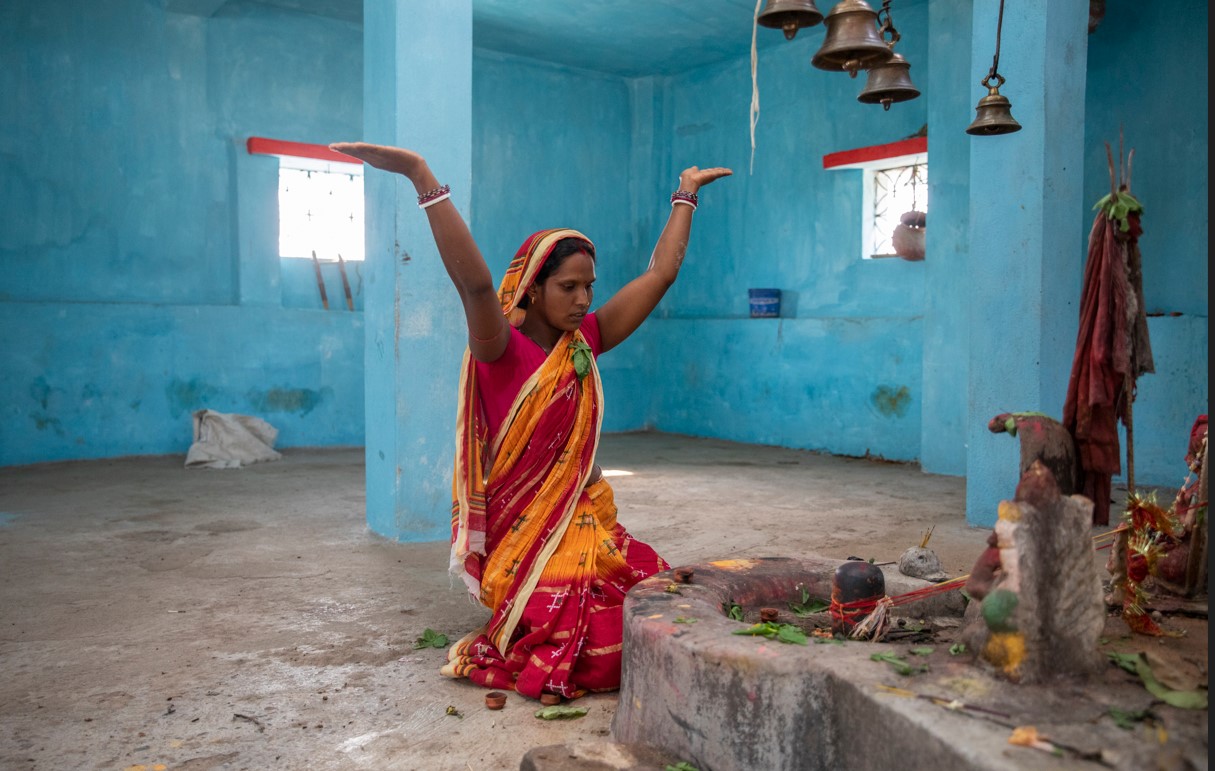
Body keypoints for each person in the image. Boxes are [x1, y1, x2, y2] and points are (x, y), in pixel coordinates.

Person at [329, 141, 731, 700]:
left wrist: (684, 196)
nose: (584, 299)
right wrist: (422, 176)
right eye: (569, 287)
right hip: (527, 539)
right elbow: (473, 285)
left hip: (590, 521)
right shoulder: (501, 350)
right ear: (534, 287)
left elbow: (660, 274)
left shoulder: (586, 340)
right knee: (591, 652)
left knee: (666, 607)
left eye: (589, 286)